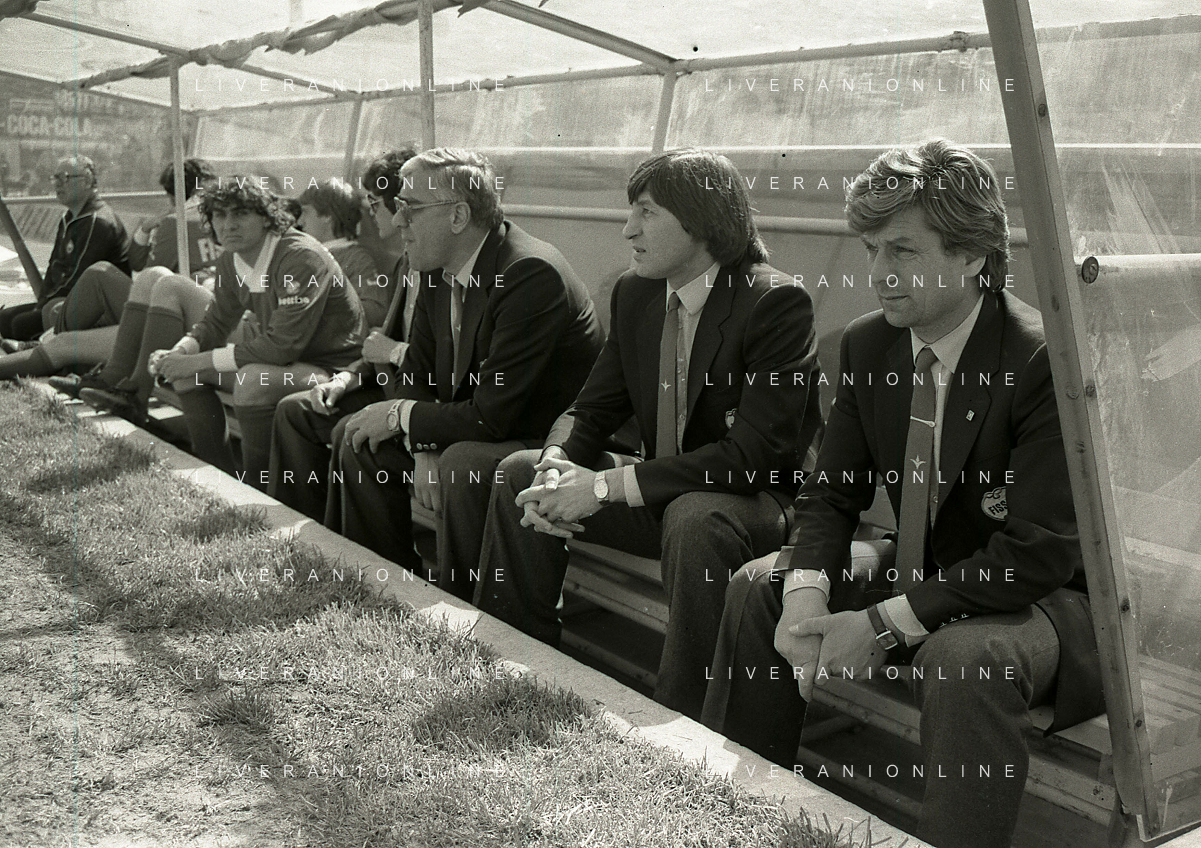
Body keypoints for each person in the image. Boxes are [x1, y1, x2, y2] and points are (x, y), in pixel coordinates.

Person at [699, 139, 1104, 848]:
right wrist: (807, 597)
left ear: (971, 255)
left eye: (903, 251)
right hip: (925, 565)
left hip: (1041, 601)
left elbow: (1037, 552)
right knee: (764, 587)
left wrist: (883, 623)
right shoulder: (869, 345)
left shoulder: (1042, 358)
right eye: (871, 249)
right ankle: (736, 815)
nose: (879, 273)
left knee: (962, 659)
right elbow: (831, 495)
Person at [474, 148, 823, 720]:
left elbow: (752, 457)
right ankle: (512, 665)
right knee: (520, 472)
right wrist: (556, 463)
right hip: (665, 492)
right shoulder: (635, 292)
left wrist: (602, 487)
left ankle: (683, 726)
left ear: (702, 222)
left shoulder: (774, 302)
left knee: (695, 516)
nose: (628, 229)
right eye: (631, 210)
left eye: (647, 212)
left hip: (753, 504)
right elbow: (591, 408)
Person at [274, 147, 604, 594]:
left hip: (537, 440)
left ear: (458, 216)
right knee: (361, 438)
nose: (397, 220)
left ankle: (460, 607)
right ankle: (383, 589)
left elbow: (493, 415)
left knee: (458, 462)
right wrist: (421, 444)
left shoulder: (528, 272)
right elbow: (419, 371)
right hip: (474, 428)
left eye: (410, 207)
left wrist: (402, 418)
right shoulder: (435, 265)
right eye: (398, 206)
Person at [151, 177, 366, 488]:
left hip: (335, 371)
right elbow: (216, 321)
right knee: (188, 374)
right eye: (219, 215)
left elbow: (281, 347)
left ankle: (261, 492)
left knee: (251, 381)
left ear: (266, 217)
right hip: (289, 364)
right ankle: (217, 482)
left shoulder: (299, 255)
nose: (228, 225)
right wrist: (180, 353)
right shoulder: (231, 257)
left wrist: (196, 361)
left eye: (240, 214)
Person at [266, 148, 418, 520]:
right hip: (359, 371)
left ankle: (329, 531)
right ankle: (295, 520)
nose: (298, 221)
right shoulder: (405, 262)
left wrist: (323, 304)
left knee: (258, 384)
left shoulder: (355, 258)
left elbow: (375, 316)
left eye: (375, 203)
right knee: (293, 409)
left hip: (384, 381)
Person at [29, 158, 222, 399]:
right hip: (201, 309)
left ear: (174, 194)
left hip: (173, 315)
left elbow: (145, 272)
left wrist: (149, 230)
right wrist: (148, 229)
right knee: (59, 307)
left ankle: (44, 346)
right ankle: (46, 347)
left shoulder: (177, 224)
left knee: (98, 276)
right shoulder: (220, 221)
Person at [0, 155, 130, 342]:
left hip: (94, 309)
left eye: (65, 178)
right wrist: (41, 303)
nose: (57, 184)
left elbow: (78, 278)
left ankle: (38, 353)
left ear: (87, 182)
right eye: (56, 178)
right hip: (63, 300)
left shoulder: (98, 222)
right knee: (4, 319)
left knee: (20, 325)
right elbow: (54, 266)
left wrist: (43, 306)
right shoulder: (69, 218)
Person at [295, 179, 390, 328]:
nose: (300, 222)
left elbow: (376, 311)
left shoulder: (356, 259)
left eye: (306, 212)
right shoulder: (306, 255)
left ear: (327, 215)